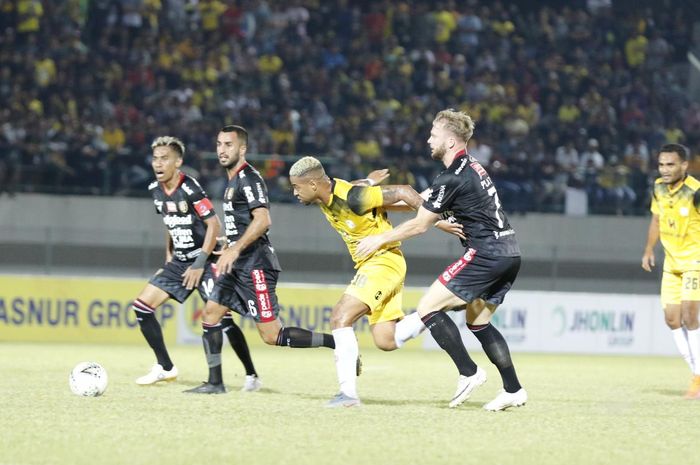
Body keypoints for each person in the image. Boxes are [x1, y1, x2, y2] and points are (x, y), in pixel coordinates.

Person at [357, 109, 527, 411]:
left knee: (427, 307)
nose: (428, 140)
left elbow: (421, 224)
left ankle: (469, 372)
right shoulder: (469, 168)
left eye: (433, 135)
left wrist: (379, 238)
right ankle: (513, 389)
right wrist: (372, 199)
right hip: (509, 252)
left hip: (486, 253)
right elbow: (421, 200)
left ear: (450, 141)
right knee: (479, 322)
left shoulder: (453, 176)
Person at [288, 156, 464, 407]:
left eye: (297, 187)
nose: (294, 192)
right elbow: (357, 186)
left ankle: (347, 396)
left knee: (340, 316)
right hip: (381, 264)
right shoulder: (333, 192)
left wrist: (438, 220)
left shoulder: (353, 197)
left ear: (314, 185)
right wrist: (370, 180)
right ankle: (444, 304)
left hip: (382, 262)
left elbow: (403, 191)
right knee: (386, 339)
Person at [185, 126, 335, 394]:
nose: (221, 149)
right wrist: (228, 245)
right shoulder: (231, 183)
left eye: (228, 144)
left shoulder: (249, 178)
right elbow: (242, 225)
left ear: (241, 149)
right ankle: (215, 383)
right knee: (210, 314)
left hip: (255, 266)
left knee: (273, 336)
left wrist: (235, 248)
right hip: (236, 265)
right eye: (219, 144)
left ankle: (335, 342)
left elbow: (263, 219)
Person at [133, 136, 260, 392]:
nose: (158, 163)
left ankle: (249, 374)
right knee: (142, 307)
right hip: (180, 263)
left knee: (223, 321)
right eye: (155, 158)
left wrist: (200, 263)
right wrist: (168, 260)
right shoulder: (156, 191)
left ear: (178, 162)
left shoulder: (189, 187)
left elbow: (214, 225)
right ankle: (166, 367)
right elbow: (170, 225)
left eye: (165, 158)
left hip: (206, 261)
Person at [642, 143, 700, 398]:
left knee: (690, 315)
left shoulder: (696, 192)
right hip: (671, 265)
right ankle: (697, 372)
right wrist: (648, 249)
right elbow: (656, 219)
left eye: (670, 164)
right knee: (672, 320)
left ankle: (697, 380)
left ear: (684, 166)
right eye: (661, 164)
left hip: (695, 262)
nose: (664, 169)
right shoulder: (657, 188)